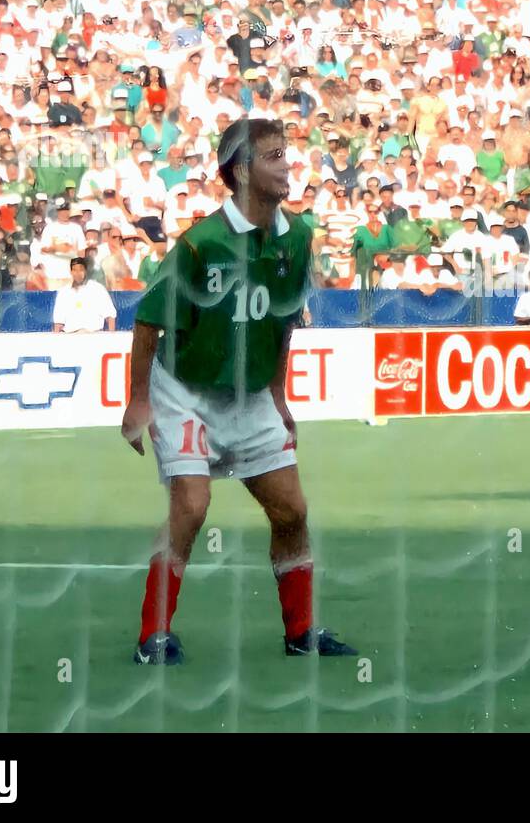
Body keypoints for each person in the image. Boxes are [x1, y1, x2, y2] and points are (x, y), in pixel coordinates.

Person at [121, 118, 357, 665]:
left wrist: (278, 394)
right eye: (275, 156)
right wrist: (138, 401)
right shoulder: (200, 242)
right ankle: (152, 635)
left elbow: (283, 322)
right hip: (185, 392)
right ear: (244, 171)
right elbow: (148, 323)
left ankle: (301, 632)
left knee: (292, 512)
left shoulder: (296, 237)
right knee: (192, 507)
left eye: (286, 153)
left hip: (250, 398)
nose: (288, 165)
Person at [53, 257, 117, 332]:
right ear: (71, 272)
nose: (78, 273)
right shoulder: (63, 293)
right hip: (70, 337)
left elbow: (110, 316)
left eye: (81, 270)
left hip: (94, 336)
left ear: (85, 271)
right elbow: (58, 322)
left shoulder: (97, 289)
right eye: (74, 270)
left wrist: (111, 339)